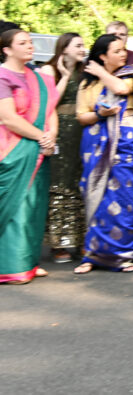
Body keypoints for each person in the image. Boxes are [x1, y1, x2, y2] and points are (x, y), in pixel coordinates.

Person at [74, 34, 133, 274]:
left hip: (130, 147)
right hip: (98, 148)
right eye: (117, 51)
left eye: (124, 49)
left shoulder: (131, 74)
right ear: (103, 56)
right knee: (99, 199)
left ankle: (125, 256)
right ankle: (92, 256)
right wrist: (100, 114)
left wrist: (101, 73)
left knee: (128, 200)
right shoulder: (87, 85)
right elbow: (82, 116)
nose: (123, 54)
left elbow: (121, 89)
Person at [0, 29, 58, 284]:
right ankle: (10, 267)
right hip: (12, 150)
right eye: (22, 43)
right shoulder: (2, 77)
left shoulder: (40, 78)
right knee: (17, 207)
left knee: (34, 207)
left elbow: (50, 110)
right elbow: (8, 118)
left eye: (30, 42)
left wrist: (51, 136)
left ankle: (28, 263)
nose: (30, 46)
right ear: (7, 49)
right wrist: (41, 137)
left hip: (38, 149)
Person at [39, 32, 87, 263]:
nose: (82, 49)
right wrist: (65, 76)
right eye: (78, 45)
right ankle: (58, 244)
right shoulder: (48, 70)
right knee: (59, 185)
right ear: (64, 48)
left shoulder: (85, 71)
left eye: (83, 45)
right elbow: (48, 102)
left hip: (82, 133)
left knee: (79, 184)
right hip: (59, 132)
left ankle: (79, 240)